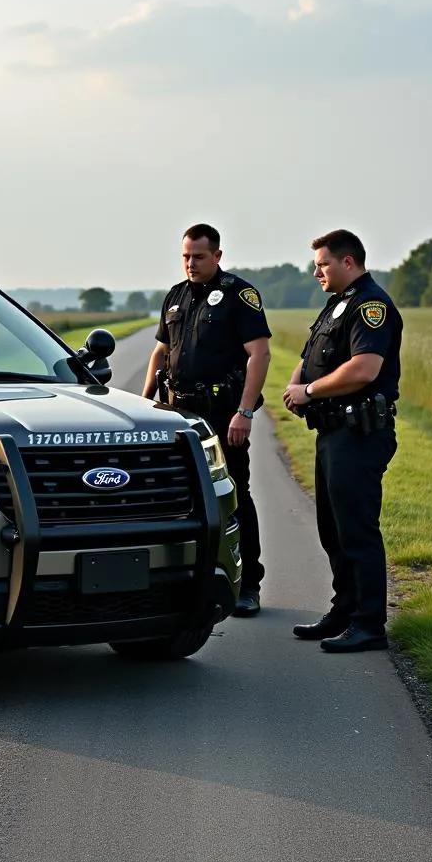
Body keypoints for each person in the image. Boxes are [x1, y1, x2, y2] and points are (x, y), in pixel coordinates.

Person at [283, 229, 402, 653]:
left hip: (360, 434)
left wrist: (311, 392)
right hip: (333, 432)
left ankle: (370, 625)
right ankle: (344, 610)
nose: (317, 271)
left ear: (348, 262)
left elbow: (365, 368)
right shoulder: (337, 304)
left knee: (357, 530)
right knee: (332, 529)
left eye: (323, 264)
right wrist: (297, 384)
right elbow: (309, 355)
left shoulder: (371, 305)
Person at [143, 223, 272, 617]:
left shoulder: (239, 295)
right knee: (174, 498)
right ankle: (181, 580)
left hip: (221, 413)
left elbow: (260, 355)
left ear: (217, 256)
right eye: (185, 256)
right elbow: (161, 353)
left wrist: (244, 412)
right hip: (177, 413)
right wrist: (144, 406)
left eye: (198, 257)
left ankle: (249, 583)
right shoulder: (176, 296)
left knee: (233, 496)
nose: (190, 264)